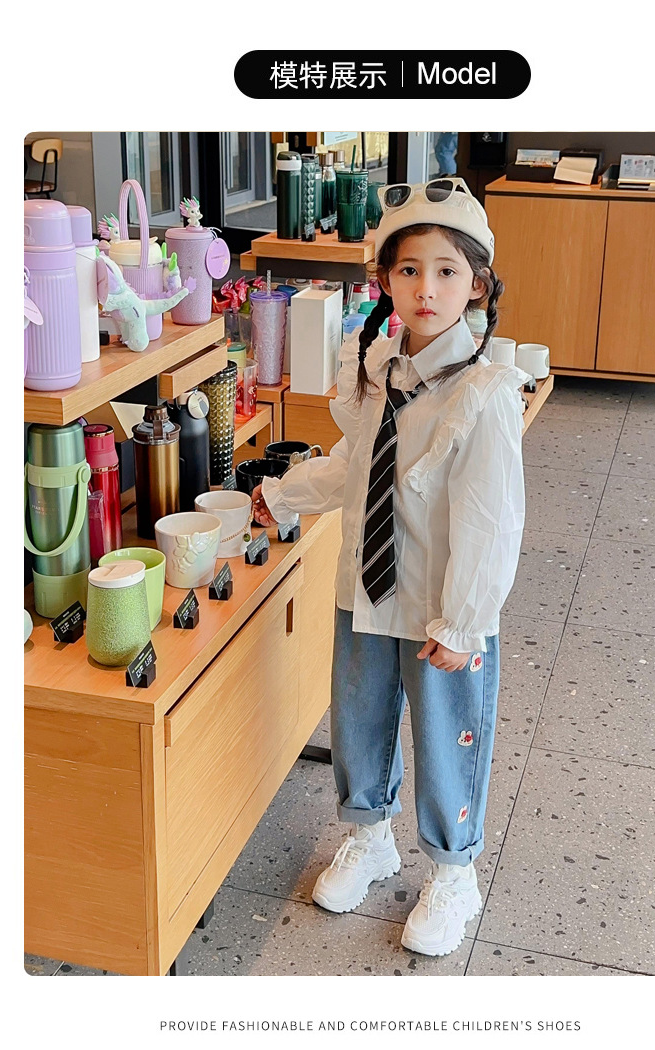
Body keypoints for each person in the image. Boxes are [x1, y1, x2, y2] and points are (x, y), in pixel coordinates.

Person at [252, 178, 529, 957]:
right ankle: (369, 837)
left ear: (477, 284)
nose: (426, 289)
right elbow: (357, 466)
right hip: (365, 588)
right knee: (359, 717)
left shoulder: (483, 390)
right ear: (384, 280)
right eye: (409, 270)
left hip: (440, 605)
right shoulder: (381, 368)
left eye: (446, 271)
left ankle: (454, 872)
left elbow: (492, 519)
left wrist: (465, 622)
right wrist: (283, 494)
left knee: (446, 734)